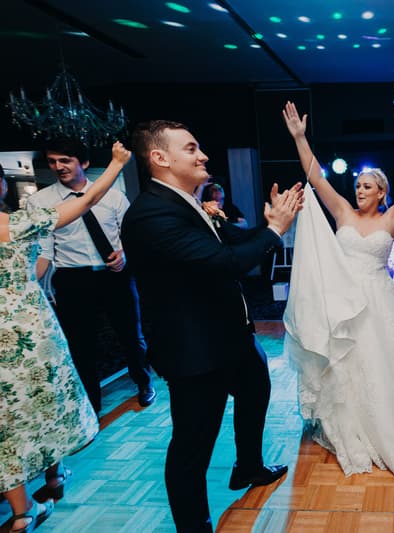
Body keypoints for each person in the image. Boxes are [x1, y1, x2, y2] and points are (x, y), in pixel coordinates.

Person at [121, 120, 302, 533]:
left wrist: (269, 221)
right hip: (195, 350)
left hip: (230, 336)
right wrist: (277, 230)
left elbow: (238, 241)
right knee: (192, 446)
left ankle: (248, 466)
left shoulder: (188, 204)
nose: (202, 155)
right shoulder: (150, 215)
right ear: (160, 158)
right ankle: (194, 526)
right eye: (191, 148)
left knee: (256, 388)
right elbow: (226, 263)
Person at [281, 102, 394, 480]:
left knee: (380, 364)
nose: (359, 190)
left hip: (378, 303)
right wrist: (299, 137)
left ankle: (384, 424)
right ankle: (346, 424)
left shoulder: (393, 217)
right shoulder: (343, 212)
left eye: (367, 186)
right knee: (345, 364)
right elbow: (316, 176)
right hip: (342, 300)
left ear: (381, 192)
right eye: (358, 185)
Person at [1, 143, 129, 533]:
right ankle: (53, 479)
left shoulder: (24, 219)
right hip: (27, 328)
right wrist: (118, 163)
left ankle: (21, 513)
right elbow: (88, 198)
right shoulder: (18, 223)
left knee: (5, 421)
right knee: (46, 400)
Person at [26, 138, 155, 412]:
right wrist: (27, 284)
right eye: (52, 162)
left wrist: (124, 254)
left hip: (115, 276)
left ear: (83, 162)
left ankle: (144, 383)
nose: (58, 167)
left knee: (132, 335)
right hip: (73, 280)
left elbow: (132, 234)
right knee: (81, 345)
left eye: (65, 160)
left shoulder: (112, 195)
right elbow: (44, 251)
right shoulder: (40, 201)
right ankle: (91, 406)